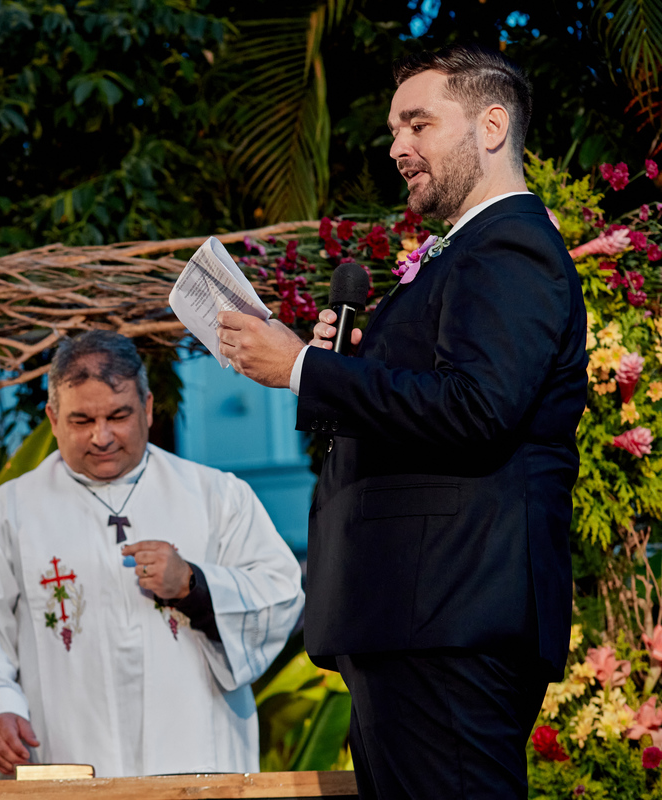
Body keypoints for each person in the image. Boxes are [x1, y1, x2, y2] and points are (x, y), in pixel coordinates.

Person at [216, 45, 586, 799]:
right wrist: (347, 364)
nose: (397, 147)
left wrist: (304, 369)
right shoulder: (467, 253)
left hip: (451, 611)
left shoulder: (510, 247)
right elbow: (438, 395)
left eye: (419, 123)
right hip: (417, 617)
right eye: (394, 129)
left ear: (491, 126)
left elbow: (476, 408)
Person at [0, 330, 304, 778]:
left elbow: (281, 594)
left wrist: (194, 585)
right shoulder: (6, 514)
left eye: (118, 415)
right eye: (81, 420)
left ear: (146, 407)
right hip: (63, 757)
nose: (102, 437)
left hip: (196, 760)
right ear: (53, 418)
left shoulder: (217, 496)